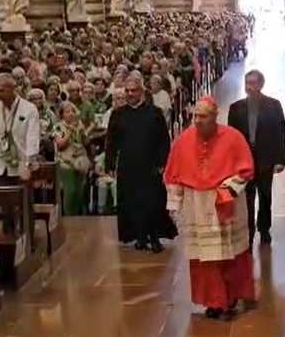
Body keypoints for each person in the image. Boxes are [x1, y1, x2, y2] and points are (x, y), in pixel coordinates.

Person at [164, 97, 256, 320]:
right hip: (196, 205)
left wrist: (227, 191)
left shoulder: (233, 138)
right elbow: (173, 176)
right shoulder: (184, 141)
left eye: (203, 116)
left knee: (230, 253)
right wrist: (174, 206)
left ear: (215, 116)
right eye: (195, 116)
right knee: (204, 258)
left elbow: (245, 171)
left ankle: (232, 295)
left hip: (225, 203)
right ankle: (213, 301)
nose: (197, 121)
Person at [105, 76, 176, 252]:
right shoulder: (118, 114)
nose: (130, 94)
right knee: (131, 202)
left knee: (153, 201)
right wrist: (110, 163)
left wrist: (163, 161)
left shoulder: (155, 113)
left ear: (142, 92)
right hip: (128, 166)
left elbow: (163, 140)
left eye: (133, 90)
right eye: (127, 91)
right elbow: (111, 142)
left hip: (150, 165)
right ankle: (139, 236)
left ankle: (155, 236)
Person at [228, 70, 285, 247]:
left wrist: (281, 159)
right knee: (246, 197)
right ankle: (248, 229)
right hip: (245, 160)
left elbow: (280, 133)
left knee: (265, 195)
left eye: (254, 83)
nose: (250, 87)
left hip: (266, 157)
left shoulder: (273, 105)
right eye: (248, 83)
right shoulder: (236, 108)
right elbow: (231, 138)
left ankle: (264, 229)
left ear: (261, 84)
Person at [0, 73, 41, 185]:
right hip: (2, 166)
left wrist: (28, 165)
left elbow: (32, 139)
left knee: (24, 201)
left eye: (1, 91)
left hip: (23, 166)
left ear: (12, 89)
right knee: (3, 200)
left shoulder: (29, 109)